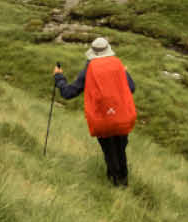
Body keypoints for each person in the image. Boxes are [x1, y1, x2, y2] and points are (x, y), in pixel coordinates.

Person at [54, 37, 137, 187]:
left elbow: (68, 93)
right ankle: (123, 185)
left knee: (110, 152)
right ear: (108, 50)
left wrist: (59, 77)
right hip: (122, 118)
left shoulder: (89, 68)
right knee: (120, 151)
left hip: (102, 120)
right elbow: (131, 88)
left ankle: (115, 186)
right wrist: (125, 73)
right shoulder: (118, 65)